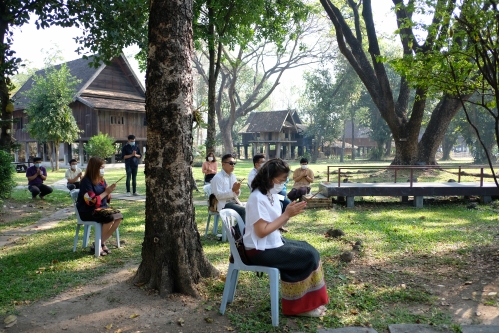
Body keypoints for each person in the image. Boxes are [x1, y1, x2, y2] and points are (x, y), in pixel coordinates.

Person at [243, 158, 329, 317]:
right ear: (270, 179)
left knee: (309, 249)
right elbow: (262, 232)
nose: (284, 183)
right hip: (259, 250)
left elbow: (275, 222)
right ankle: (301, 308)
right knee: (307, 256)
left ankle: (308, 303)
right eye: (282, 180)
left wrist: (289, 213)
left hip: (271, 243)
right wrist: (286, 215)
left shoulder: (270, 193)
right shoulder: (257, 198)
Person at [76, 157, 122, 256]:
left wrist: (109, 192)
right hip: (88, 210)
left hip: (102, 208)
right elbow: (91, 201)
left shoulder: (102, 180)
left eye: (103, 167)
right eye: (101, 167)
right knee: (109, 218)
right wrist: (106, 192)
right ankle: (99, 244)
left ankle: (99, 243)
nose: (103, 170)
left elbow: (106, 198)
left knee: (118, 217)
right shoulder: (86, 181)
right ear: (94, 168)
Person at [211, 153, 246, 221]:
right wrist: (233, 190)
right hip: (223, 204)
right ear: (223, 164)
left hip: (233, 201)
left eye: (234, 163)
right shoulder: (218, 178)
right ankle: (237, 231)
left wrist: (237, 190)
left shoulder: (233, 176)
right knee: (244, 211)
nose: (233, 165)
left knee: (252, 209)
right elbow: (218, 195)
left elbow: (235, 193)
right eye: (230, 163)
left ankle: (242, 230)